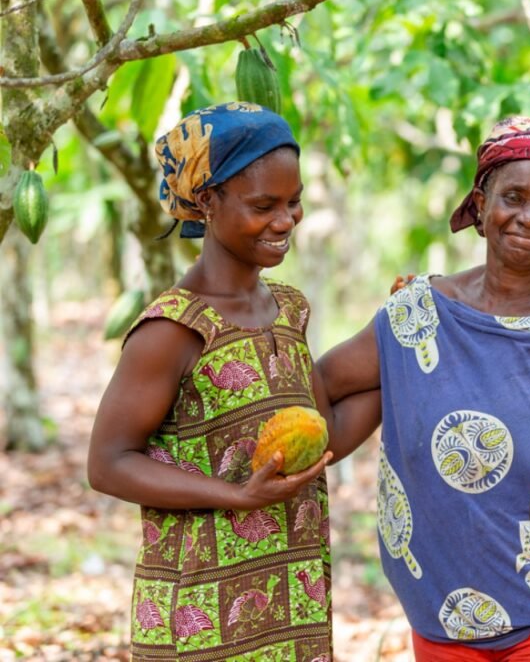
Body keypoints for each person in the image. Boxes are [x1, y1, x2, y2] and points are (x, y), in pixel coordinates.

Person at [317, 117, 530, 660]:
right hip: (438, 611)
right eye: (513, 197)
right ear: (482, 203)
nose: (529, 218)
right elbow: (321, 387)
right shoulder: (415, 317)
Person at [87, 102, 363, 660]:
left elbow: (325, 433)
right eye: (264, 205)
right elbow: (108, 463)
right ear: (208, 202)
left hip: (291, 603)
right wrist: (237, 496)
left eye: (293, 201)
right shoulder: (173, 328)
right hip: (200, 617)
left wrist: (414, 336)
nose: (285, 220)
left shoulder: (289, 310)